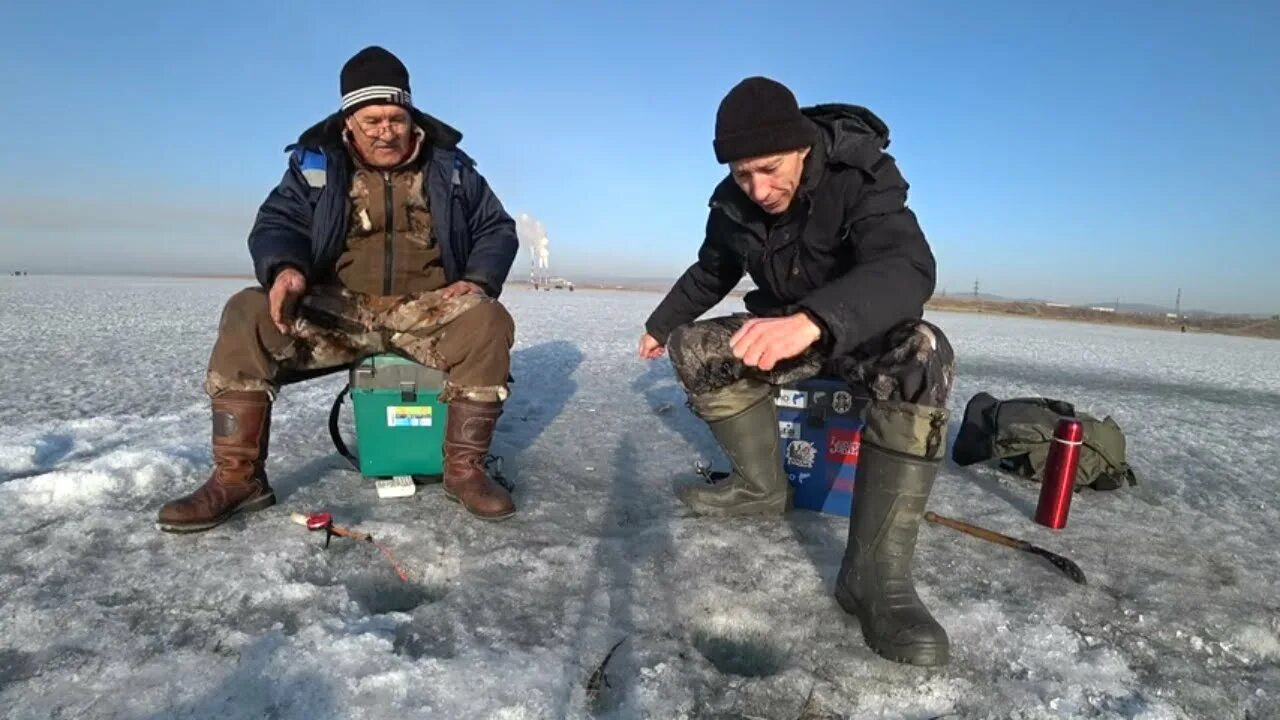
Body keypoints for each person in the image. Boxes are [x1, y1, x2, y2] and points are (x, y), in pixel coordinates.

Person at [639, 77, 955, 666]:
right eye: (742, 175)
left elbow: (907, 266)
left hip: (862, 330)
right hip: (790, 331)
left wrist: (815, 319)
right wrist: (661, 325)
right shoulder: (733, 203)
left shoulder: (861, 174)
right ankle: (762, 488)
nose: (757, 189)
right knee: (698, 346)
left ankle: (871, 581)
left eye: (769, 168)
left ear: (801, 147)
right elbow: (712, 271)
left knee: (924, 352)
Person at [157, 46, 520, 532]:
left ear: (410, 114)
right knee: (247, 313)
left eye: (395, 117)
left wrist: (476, 280)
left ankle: (463, 471)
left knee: (487, 319)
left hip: (425, 310)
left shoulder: (451, 169)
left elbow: (496, 228)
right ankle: (237, 478)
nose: (385, 131)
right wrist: (285, 268)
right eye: (372, 121)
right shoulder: (316, 165)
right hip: (340, 310)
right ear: (348, 119)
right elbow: (278, 222)